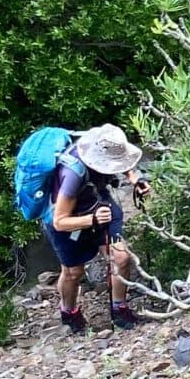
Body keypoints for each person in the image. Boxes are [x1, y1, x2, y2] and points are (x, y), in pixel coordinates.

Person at [48, 124, 148, 333]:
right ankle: (70, 314)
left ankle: (119, 311)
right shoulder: (72, 174)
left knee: (121, 258)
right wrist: (91, 219)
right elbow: (59, 221)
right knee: (74, 272)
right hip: (70, 220)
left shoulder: (106, 149)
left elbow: (121, 161)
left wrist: (136, 179)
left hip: (99, 205)